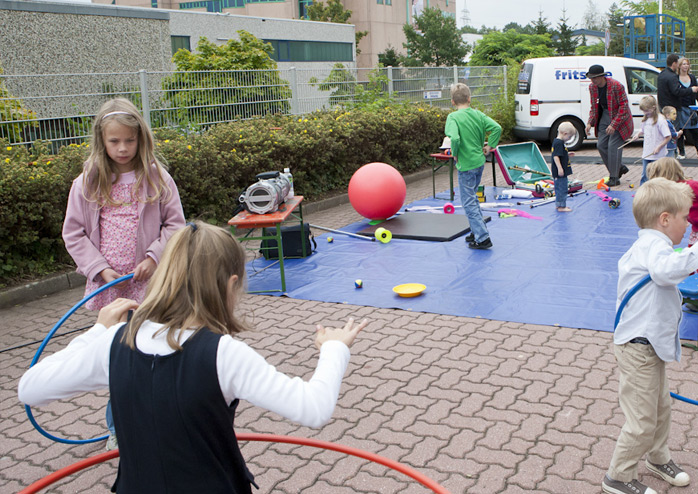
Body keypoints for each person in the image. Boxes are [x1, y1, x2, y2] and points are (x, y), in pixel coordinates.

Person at [19, 222, 368, 492]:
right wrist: (335, 348)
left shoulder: (113, 342)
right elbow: (314, 408)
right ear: (231, 285)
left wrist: (97, 331)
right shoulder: (224, 354)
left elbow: (30, 389)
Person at [61, 97, 186, 448]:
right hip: (112, 289)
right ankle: (119, 430)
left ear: (141, 138)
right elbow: (73, 233)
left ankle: (163, 419)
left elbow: (175, 225)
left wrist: (153, 257)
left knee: (157, 350)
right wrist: (100, 270)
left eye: (129, 140)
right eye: (114, 141)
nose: (122, 148)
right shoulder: (87, 181)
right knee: (121, 358)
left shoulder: (157, 177)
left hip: (150, 286)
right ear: (102, 140)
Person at [602, 178, 698, 494]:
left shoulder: (659, 247)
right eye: (685, 218)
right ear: (665, 219)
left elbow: (670, 268)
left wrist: (697, 254)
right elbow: (665, 272)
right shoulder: (652, 247)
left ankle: (658, 458)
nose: (689, 223)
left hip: (651, 346)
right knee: (643, 418)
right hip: (637, 347)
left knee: (661, 407)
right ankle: (618, 477)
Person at [647, 157, 698, 310]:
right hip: (697, 227)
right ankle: (693, 290)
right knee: (690, 257)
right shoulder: (674, 192)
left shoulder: (693, 186)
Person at [445, 83, 502, 250]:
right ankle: (475, 231)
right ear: (469, 99)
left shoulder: (453, 118)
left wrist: (455, 153)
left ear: (452, 102)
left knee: (468, 201)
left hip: (466, 165)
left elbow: (454, 139)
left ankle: (482, 237)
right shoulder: (478, 114)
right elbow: (496, 128)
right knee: (472, 197)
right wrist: (489, 146)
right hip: (479, 162)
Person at [586, 64, 633, 187]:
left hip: (619, 117)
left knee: (613, 146)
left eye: (595, 78)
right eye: (591, 78)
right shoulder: (592, 87)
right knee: (601, 145)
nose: (592, 80)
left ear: (602, 76)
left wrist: (614, 124)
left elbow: (624, 107)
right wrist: (589, 122)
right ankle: (619, 167)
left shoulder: (616, 86)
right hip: (605, 115)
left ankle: (614, 177)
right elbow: (594, 107)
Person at [676, 57, 698, 159]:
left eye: (687, 64)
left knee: (695, 131)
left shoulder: (692, 78)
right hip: (681, 108)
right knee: (681, 130)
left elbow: (697, 92)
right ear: (679, 66)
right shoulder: (676, 78)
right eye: (683, 64)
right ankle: (682, 152)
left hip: (691, 108)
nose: (685, 66)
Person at [636, 96, 671, 184]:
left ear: (653, 107)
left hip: (658, 155)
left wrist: (659, 147)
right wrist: (638, 134)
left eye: (647, 110)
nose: (645, 113)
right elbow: (642, 130)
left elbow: (668, 137)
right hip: (647, 153)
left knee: (657, 177)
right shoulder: (646, 119)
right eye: (644, 111)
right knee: (645, 175)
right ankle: (643, 194)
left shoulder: (660, 120)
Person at [552, 121, 576, 212]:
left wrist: (567, 154)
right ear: (564, 133)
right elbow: (556, 156)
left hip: (560, 171)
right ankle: (562, 206)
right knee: (562, 188)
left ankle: (559, 204)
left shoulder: (558, 142)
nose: (568, 139)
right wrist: (560, 168)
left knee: (559, 188)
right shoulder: (559, 143)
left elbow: (559, 153)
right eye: (569, 137)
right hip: (560, 171)